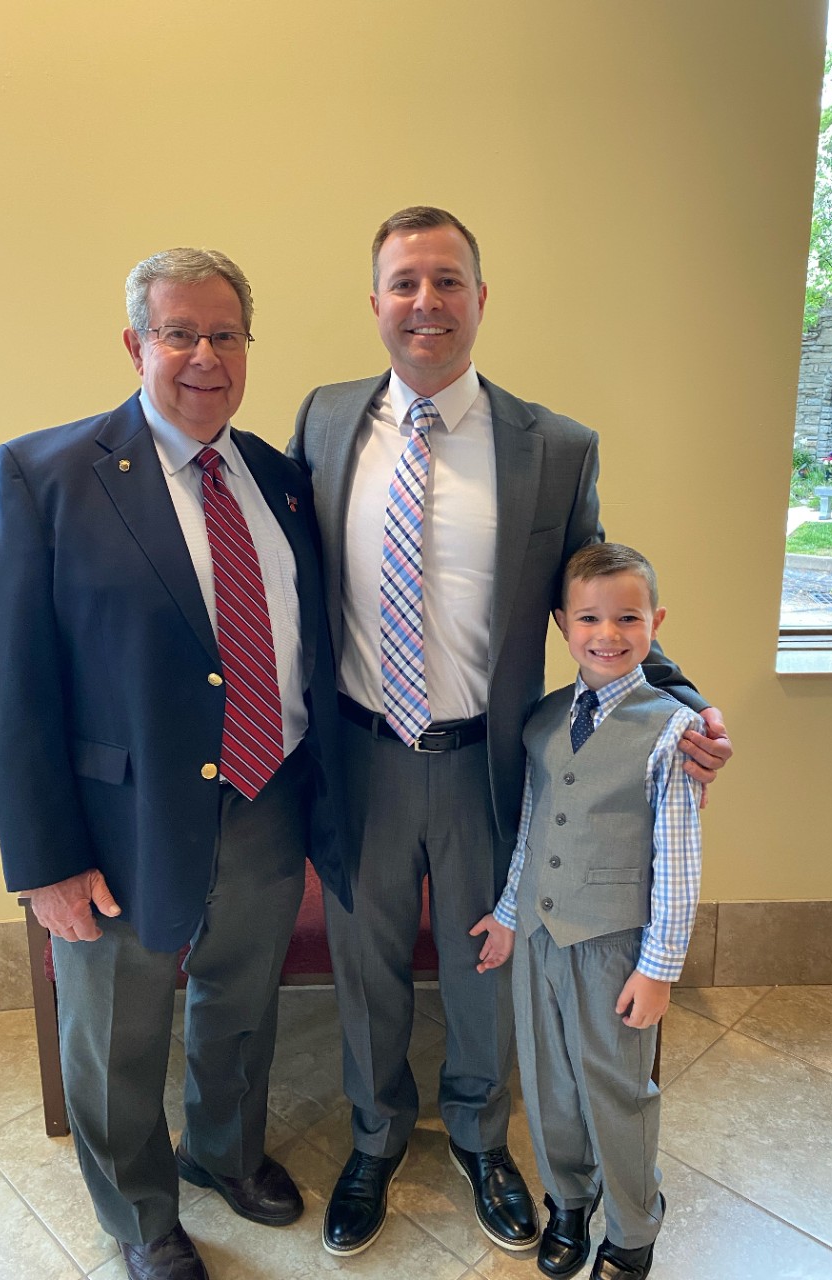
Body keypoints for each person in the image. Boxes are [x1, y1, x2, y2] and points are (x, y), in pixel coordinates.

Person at [288, 205, 732, 1258]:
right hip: (358, 753)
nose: (426, 303)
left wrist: (686, 705)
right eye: (404, 282)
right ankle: (374, 1135)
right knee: (368, 960)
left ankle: (484, 1136)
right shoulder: (322, 418)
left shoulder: (554, 446)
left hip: (488, 763)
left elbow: (599, 603)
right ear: (376, 303)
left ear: (482, 299)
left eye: (448, 281)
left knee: (493, 957)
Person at [0, 248, 349, 1280]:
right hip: (119, 823)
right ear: (135, 343)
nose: (203, 356)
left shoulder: (279, 479)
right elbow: (12, 684)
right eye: (179, 333)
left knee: (240, 997)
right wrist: (43, 858)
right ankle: (140, 1212)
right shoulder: (45, 474)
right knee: (117, 1031)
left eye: (225, 334)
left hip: (268, 797)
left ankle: (224, 1153)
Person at [472, 542, 702, 1280]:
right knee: (546, 1081)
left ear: (655, 622)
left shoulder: (672, 731)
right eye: (590, 619)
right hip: (540, 935)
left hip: (613, 946)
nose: (609, 634)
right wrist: (509, 915)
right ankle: (568, 1198)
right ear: (563, 626)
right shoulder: (542, 721)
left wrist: (659, 968)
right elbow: (534, 830)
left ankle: (635, 1226)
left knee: (615, 1089)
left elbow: (680, 864)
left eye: (628, 618)